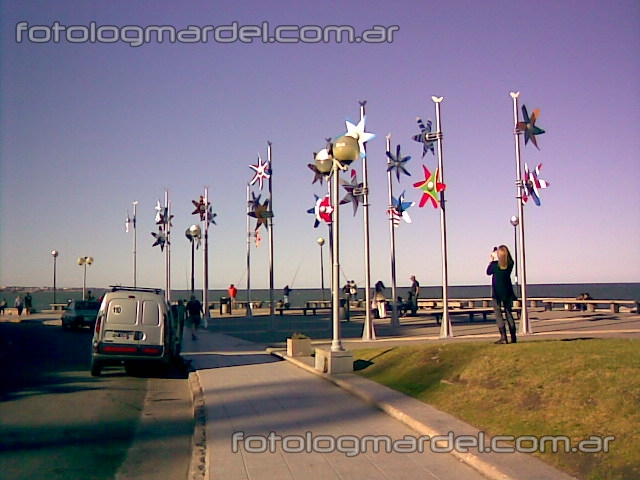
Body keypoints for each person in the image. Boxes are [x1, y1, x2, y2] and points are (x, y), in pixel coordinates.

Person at [486, 245, 517, 344]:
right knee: (509, 313)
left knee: (498, 314)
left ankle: (503, 337)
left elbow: (488, 272)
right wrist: (500, 255)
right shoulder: (510, 264)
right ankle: (513, 336)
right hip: (507, 292)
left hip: (497, 293)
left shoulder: (495, 265)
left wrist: (492, 259)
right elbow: (508, 260)